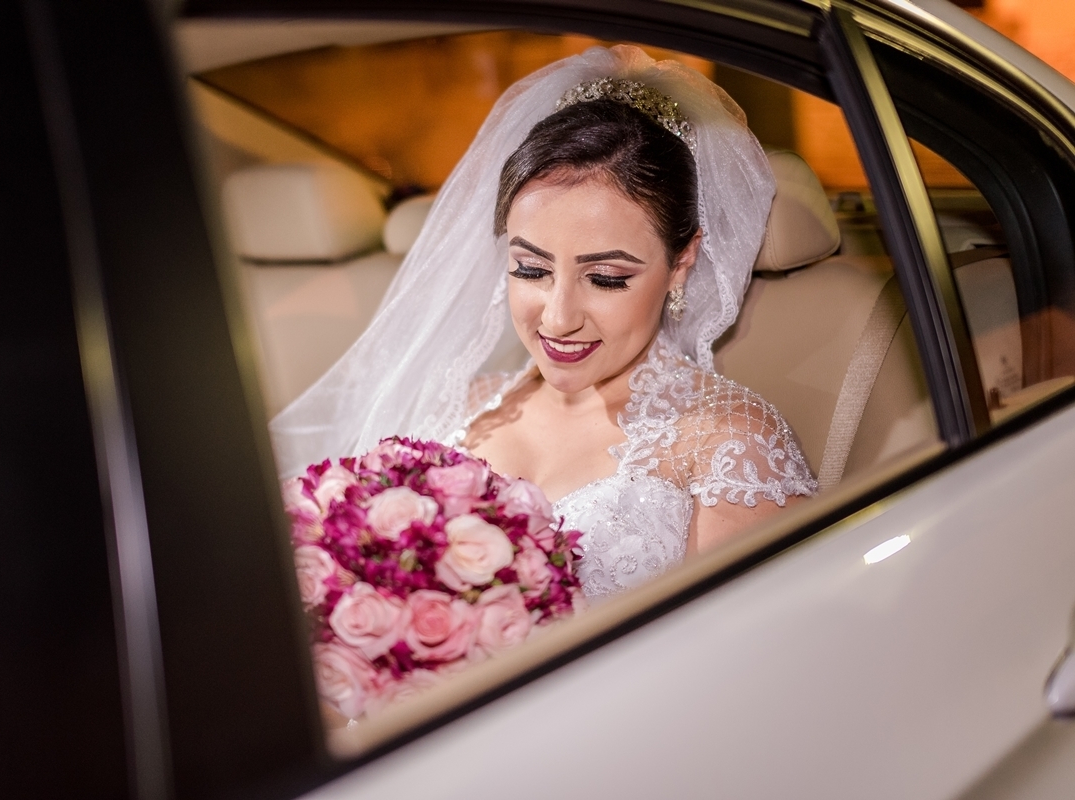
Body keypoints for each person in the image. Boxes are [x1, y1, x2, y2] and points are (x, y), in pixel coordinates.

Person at [272, 45, 816, 601]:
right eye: (530, 269)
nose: (558, 318)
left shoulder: (729, 445)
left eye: (605, 278)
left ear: (682, 262)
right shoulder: (457, 408)